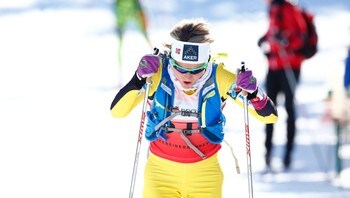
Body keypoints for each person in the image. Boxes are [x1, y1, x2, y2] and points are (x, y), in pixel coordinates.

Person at [111, 18, 278, 198]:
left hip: (205, 177)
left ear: (207, 62)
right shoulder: (157, 74)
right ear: (171, 60)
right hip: (160, 175)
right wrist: (138, 79)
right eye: (180, 68)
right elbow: (118, 112)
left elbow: (270, 117)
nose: (188, 77)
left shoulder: (218, 77)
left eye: (197, 69)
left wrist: (254, 92)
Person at [258, 0, 308, 171]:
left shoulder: (289, 8)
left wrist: (285, 41)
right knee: (267, 109)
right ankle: (268, 153)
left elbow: (300, 37)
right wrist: (265, 39)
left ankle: (287, 155)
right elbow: (273, 31)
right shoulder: (274, 8)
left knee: (288, 107)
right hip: (274, 66)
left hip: (290, 65)